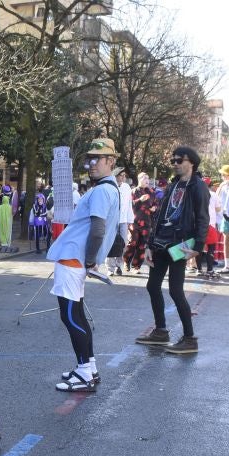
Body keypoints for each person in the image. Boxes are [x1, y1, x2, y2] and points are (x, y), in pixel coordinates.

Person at [46, 138, 121, 392]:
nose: (91, 163)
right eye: (90, 158)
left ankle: (85, 372)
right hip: (76, 259)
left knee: (70, 316)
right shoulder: (110, 189)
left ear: (111, 161)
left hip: (73, 258)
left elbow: (98, 230)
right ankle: (87, 367)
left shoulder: (101, 190)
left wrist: (90, 258)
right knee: (76, 315)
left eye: (97, 159)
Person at [135, 146, 209, 355]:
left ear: (191, 162)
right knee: (152, 286)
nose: (175, 163)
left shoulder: (198, 187)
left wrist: (198, 247)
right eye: (173, 160)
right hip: (161, 242)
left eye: (179, 160)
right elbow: (159, 215)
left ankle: (189, 338)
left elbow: (203, 218)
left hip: (181, 243)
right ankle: (161, 331)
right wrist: (149, 244)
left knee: (176, 290)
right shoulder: (173, 184)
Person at [123, 172, 157, 274]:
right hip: (134, 221)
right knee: (132, 243)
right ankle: (126, 261)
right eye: (144, 178)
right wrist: (139, 200)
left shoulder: (151, 192)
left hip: (147, 222)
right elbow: (129, 205)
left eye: (148, 178)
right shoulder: (133, 191)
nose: (147, 180)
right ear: (139, 180)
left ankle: (136, 266)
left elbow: (156, 203)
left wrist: (154, 208)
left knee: (142, 245)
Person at [105, 167, 133, 276]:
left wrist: (130, 220)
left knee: (123, 244)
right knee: (111, 243)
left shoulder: (126, 187)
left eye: (124, 175)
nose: (123, 178)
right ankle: (110, 268)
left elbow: (129, 204)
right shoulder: (110, 186)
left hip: (123, 220)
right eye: (121, 175)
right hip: (111, 220)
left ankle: (118, 265)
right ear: (115, 176)